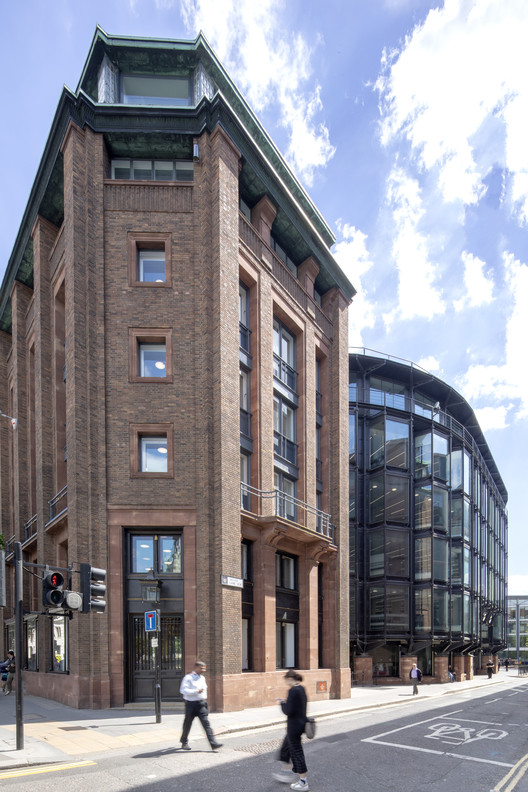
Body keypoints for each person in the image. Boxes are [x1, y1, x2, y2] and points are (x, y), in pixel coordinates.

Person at [273, 669, 309, 791]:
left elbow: (288, 711)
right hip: (299, 725)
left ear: (289, 679)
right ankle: (286, 772)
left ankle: (303, 782)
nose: (286, 683)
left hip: (294, 727)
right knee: (286, 749)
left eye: (286, 680)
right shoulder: (301, 689)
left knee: (297, 753)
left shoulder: (293, 690)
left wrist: (282, 703)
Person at [179, 661, 222, 751]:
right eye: (202, 668)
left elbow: (204, 690)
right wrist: (196, 691)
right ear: (195, 667)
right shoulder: (188, 677)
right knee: (187, 724)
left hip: (201, 704)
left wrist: (205, 702)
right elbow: (183, 690)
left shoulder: (202, 678)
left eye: (204, 668)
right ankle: (184, 742)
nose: (204, 670)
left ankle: (213, 743)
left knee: (206, 724)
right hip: (191, 704)